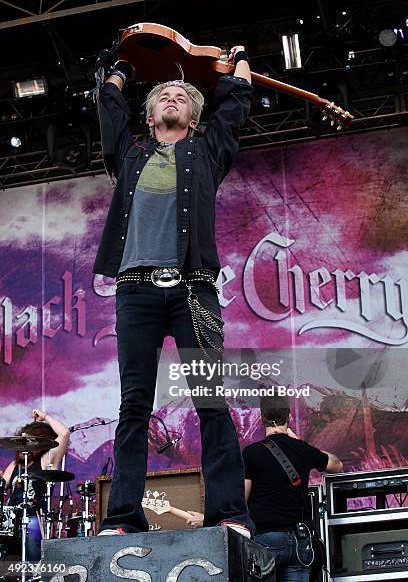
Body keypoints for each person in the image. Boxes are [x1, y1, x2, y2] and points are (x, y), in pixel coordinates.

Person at [93, 41, 255, 538]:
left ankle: (229, 512)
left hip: (194, 290)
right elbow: (109, 104)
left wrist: (238, 65)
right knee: (134, 406)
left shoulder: (207, 151)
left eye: (181, 97)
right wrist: (120, 69)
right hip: (136, 292)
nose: (171, 98)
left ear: (192, 116)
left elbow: (234, 107)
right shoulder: (129, 153)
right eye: (162, 95)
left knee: (210, 400)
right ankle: (123, 518)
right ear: (149, 116)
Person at [185, 394, 343, 582]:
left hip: (267, 540)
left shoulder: (252, 452)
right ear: (289, 417)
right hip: (300, 540)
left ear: (261, 419)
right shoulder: (303, 449)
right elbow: (336, 464)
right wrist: (300, 442)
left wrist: (209, 518)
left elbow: (240, 499)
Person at [0, 410, 70, 561]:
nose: (23, 445)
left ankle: (35, 573)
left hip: (34, 516)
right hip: (11, 517)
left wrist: (44, 417)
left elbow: (64, 433)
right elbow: (2, 487)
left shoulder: (45, 461)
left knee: (31, 527)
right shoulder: (14, 465)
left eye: (28, 441)